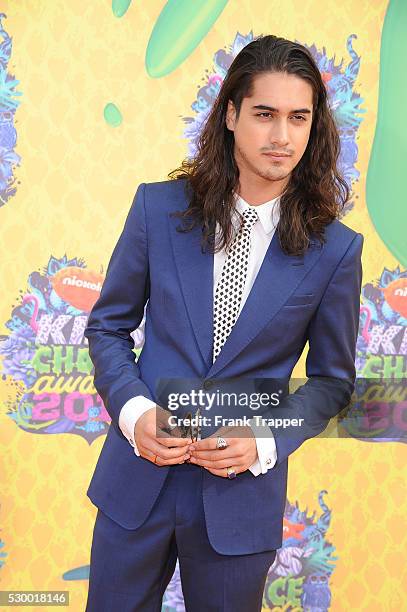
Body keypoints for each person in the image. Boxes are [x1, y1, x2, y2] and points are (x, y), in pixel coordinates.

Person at [84, 34, 364, 611]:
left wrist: (263, 439)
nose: (281, 137)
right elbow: (108, 326)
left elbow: (332, 381)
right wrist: (135, 413)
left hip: (240, 502)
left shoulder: (334, 250)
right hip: (137, 482)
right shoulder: (157, 210)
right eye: (265, 114)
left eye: (298, 118)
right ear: (232, 114)